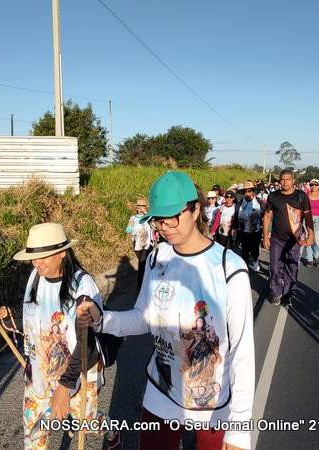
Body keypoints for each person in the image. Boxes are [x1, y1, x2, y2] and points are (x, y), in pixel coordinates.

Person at [77, 170, 254, 450]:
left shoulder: (228, 269)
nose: (165, 226)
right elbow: (144, 318)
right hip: (161, 392)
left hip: (211, 403)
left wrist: (240, 431)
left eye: (172, 217)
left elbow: (242, 353)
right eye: (158, 219)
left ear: (195, 210)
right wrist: (102, 320)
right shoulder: (158, 257)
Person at [0, 223, 113, 450]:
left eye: (43, 257)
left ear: (62, 253)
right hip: (39, 370)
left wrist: (64, 387)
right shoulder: (36, 276)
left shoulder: (82, 286)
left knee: (86, 422)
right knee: (34, 433)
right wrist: (3, 312)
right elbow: (34, 311)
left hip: (76, 370)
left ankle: (109, 428)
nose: (36, 263)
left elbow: (86, 343)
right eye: (33, 258)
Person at [262, 170, 314, 305]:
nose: (285, 182)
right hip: (277, 238)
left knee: (292, 267)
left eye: (288, 179)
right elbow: (267, 216)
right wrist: (265, 237)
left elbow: (308, 216)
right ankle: (276, 291)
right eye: (282, 179)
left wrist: (311, 234)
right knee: (274, 267)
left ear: (293, 181)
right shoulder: (273, 196)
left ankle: (288, 293)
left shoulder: (301, 196)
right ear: (279, 181)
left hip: (294, 240)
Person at [126, 197, 156, 291]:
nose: (140, 209)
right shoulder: (133, 218)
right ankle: (148, 278)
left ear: (145, 207)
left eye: (142, 206)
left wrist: (147, 215)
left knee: (142, 263)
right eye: (138, 207)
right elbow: (128, 229)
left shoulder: (149, 217)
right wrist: (131, 227)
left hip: (148, 244)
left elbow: (155, 226)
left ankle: (140, 286)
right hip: (137, 244)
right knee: (143, 263)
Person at [237, 181, 262, 272]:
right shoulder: (240, 203)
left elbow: (265, 216)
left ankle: (255, 261)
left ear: (253, 192)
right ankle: (245, 267)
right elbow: (236, 215)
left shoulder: (259, 202)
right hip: (243, 231)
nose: (248, 193)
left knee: (255, 249)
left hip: (255, 231)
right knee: (245, 250)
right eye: (245, 191)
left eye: (250, 190)